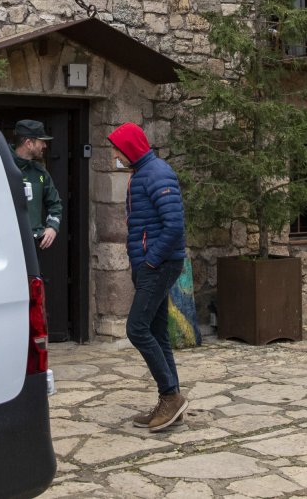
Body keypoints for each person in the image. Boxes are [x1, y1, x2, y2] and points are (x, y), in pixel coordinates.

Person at [108, 121, 189, 433]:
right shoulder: (142, 173)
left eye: (116, 147)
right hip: (152, 264)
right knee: (157, 332)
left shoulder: (157, 173)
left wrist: (151, 262)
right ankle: (172, 403)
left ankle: (171, 396)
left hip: (159, 264)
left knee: (137, 329)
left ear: (128, 147)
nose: (114, 153)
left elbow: (174, 227)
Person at [12, 119, 62, 250]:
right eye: (42, 141)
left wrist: (52, 227)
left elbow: (55, 204)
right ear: (29, 143)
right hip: (6, 242)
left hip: (33, 244)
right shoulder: (1, 165)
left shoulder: (40, 171)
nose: (45, 146)